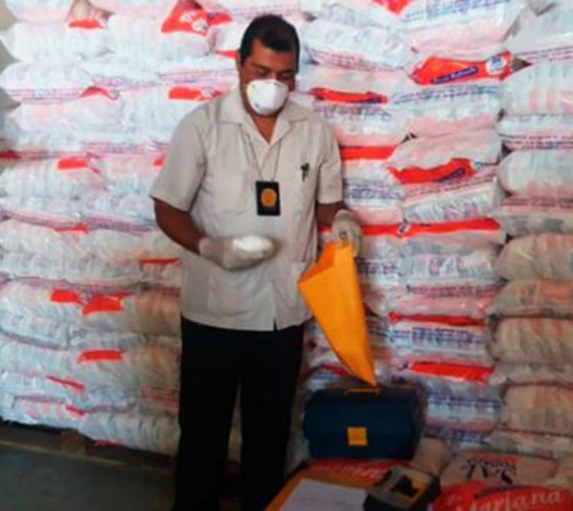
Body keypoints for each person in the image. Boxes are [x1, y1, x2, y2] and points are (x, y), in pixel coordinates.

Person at [149, 14, 362, 511]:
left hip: (281, 314)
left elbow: (326, 203)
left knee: (269, 440)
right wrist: (208, 246)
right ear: (239, 64)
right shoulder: (202, 127)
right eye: (262, 72)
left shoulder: (313, 131)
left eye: (285, 75)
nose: (273, 85)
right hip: (215, 312)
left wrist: (343, 218)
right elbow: (167, 208)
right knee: (203, 438)